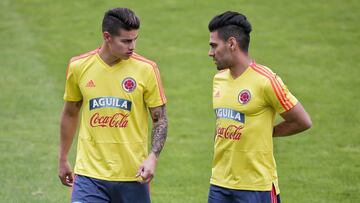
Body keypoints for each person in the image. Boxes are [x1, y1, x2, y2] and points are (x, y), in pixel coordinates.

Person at [58, 7, 168, 203]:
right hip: (89, 175)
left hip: (133, 176)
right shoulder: (79, 66)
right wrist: (63, 158)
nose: (132, 46)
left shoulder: (147, 69)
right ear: (107, 37)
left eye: (135, 39)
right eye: (126, 41)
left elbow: (160, 119)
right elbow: (70, 113)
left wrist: (153, 156)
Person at [207, 11, 312, 203]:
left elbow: (302, 121)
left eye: (214, 46)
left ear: (231, 43)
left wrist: (268, 132)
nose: (210, 52)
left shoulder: (266, 81)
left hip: (256, 187)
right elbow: (222, 121)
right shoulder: (219, 79)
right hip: (220, 184)